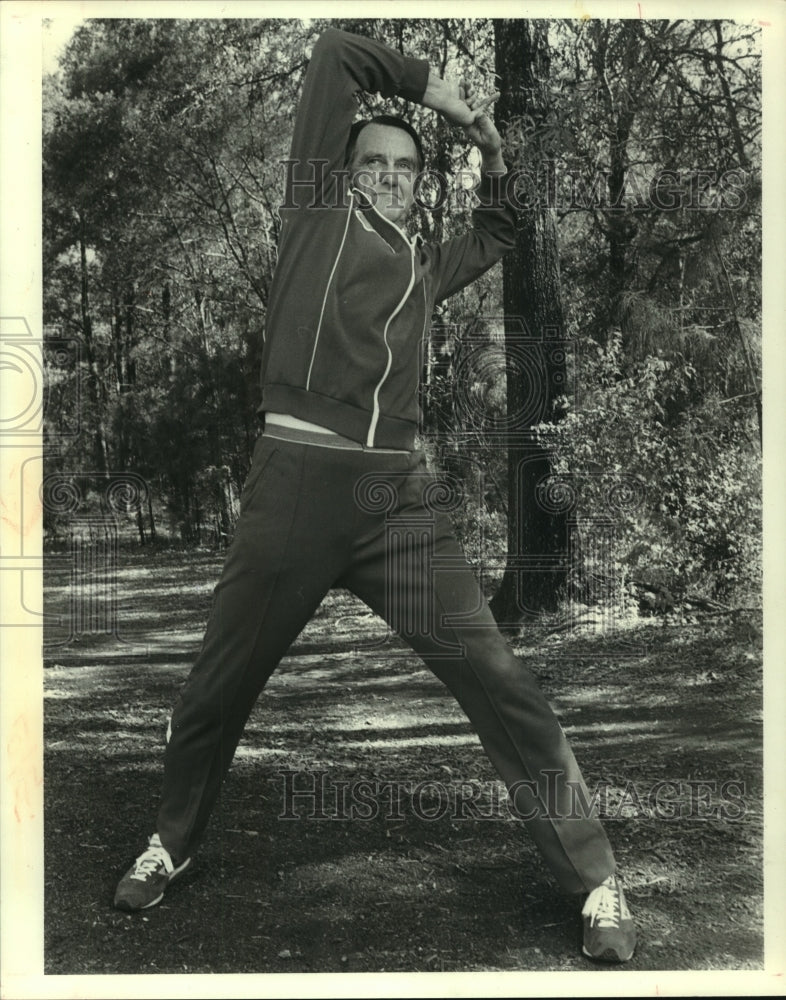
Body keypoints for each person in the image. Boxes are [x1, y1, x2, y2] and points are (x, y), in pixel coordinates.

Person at [114, 26, 636, 964]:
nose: (390, 175)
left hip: (397, 499)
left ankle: (596, 879)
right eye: (377, 161)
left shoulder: (423, 268)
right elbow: (336, 54)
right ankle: (171, 843)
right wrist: (447, 99)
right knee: (216, 685)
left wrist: (495, 158)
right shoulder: (314, 215)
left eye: (405, 167)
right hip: (292, 486)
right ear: (346, 171)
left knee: (501, 678)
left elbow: (501, 231)